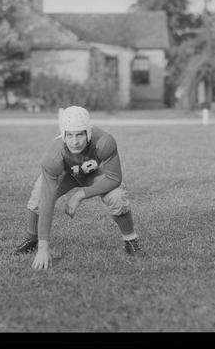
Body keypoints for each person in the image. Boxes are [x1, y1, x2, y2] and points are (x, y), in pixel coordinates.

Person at [13, 105, 145, 270]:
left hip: (96, 174)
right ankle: (33, 239)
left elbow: (114, 178)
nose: (74, 141)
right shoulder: (53, 156)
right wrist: (43, 248)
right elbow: (47, 199)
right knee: (39, 196)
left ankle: (130, 240)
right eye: (70, 135)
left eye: (80, 135)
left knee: (117, 197)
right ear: (63, 134)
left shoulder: (104, 142)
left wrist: (81, 194)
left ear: (88, 132)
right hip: (67, 175)